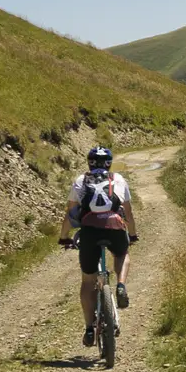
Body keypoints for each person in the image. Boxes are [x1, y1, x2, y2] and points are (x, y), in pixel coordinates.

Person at [58, 146, 138, 347]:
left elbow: (71, 214)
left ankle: (88, 328)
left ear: (89, 162)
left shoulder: (79, 181)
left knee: (87, 281)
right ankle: (120, 285)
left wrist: (63, 237)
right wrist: (133, 235)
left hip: (90, 233)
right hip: (115, 227)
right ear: (109, 163)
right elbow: (128, 213)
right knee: (122, 253)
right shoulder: (118, 180)